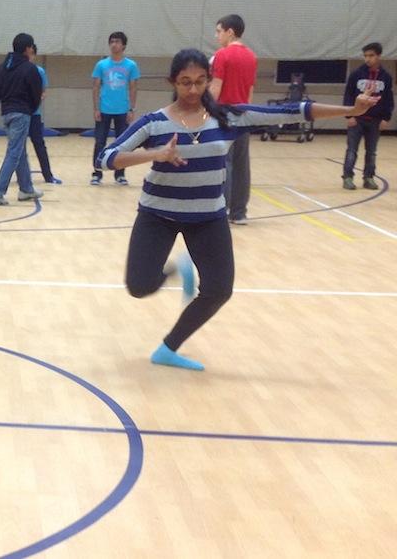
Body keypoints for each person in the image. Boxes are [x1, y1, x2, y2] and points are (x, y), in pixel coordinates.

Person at [97, 49, 378, 372]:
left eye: (200, 81)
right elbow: (104, 158)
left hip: (207, 217)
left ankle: (168, 348)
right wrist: (155, 155)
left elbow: (294, 111)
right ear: (172, 82)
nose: (192, 90)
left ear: (209, 81)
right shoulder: (154, 123)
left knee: (219, 290)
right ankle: (178, 269)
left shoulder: (228, 117)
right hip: (158, 214)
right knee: (139, 287)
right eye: (185, 82)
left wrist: (350, 110)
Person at [0, 33, 44, 205]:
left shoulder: (2, 68)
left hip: (7, 114)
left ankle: (26, 189)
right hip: (21, 114)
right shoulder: (30, 68)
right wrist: (30, 110)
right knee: (14, 152)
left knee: (19, 151)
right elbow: (36, 95)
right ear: (28, 48)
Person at [209, 14, 257, 224]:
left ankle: (221, 209)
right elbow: (250, 90)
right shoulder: (252, 56)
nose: (217, 35)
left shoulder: (222, 55)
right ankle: (239, 213)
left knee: (224, 163)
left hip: (224, 114)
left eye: (219, 31)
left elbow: (216, 87)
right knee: (241, 164)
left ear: (230, 32)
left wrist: (206, 111)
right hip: (244, 113)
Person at [341, 42, 393, 190]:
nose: (368, 59)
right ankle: (348, 177)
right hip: (357, 119)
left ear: (379, 56)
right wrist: (349, 115)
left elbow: (388, 99)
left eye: (371, 56)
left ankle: (368, 177)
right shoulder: (356, 74)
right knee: (352, 150)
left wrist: (386, 117)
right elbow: (348, 95)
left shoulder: (386, 77)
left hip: (375, 121)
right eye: (365, 56)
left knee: (371, 152)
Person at [90, 31, 138, 186]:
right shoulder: (101, 65)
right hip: (104, 109)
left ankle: (120, 174)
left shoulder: (131, 65)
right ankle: (97, 173)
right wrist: (96, 108)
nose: (114, 44)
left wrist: (131, 109)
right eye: (111, 41)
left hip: (122, 110)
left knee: (122, 144)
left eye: (117, 41)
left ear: (123, 45)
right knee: (99, 142)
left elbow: (133, 88)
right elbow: (96, 87)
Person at [27, 44, 61, 184]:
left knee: (39, 145)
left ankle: (48, 175)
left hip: (34, 114)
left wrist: (38, 99)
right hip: (20, 114)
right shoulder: (17, 70)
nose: (29, 57)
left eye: (31, 54)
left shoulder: (39, 71)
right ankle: (19, 176)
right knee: (16, 147)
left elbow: (43, 91)